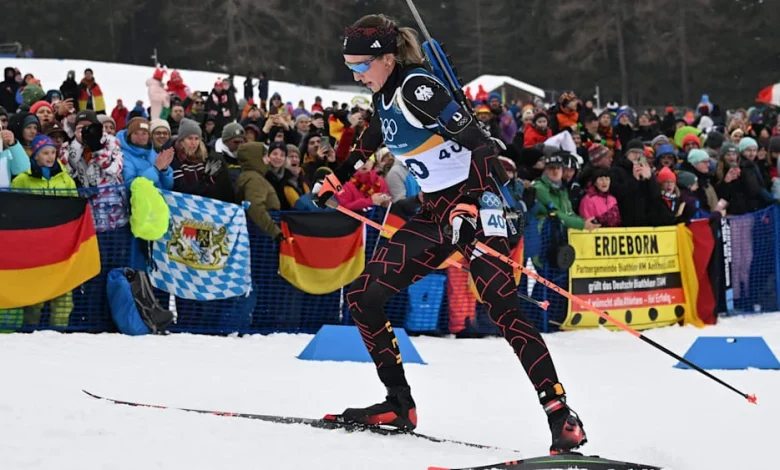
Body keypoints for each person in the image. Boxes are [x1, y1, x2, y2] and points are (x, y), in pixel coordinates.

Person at [315, 13, 587, 455]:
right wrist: (338, 175)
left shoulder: (418, 89)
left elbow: (482, 145)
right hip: (434, 213)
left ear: (386, 58)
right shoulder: (384, 96)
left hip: (480, 206)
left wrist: (469, 203)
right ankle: (398, 404)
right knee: (364, 296)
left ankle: (561, 415)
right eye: (351, 69)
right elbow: (373, 136)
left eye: (362, 66)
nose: (357, 75)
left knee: (503, 309)